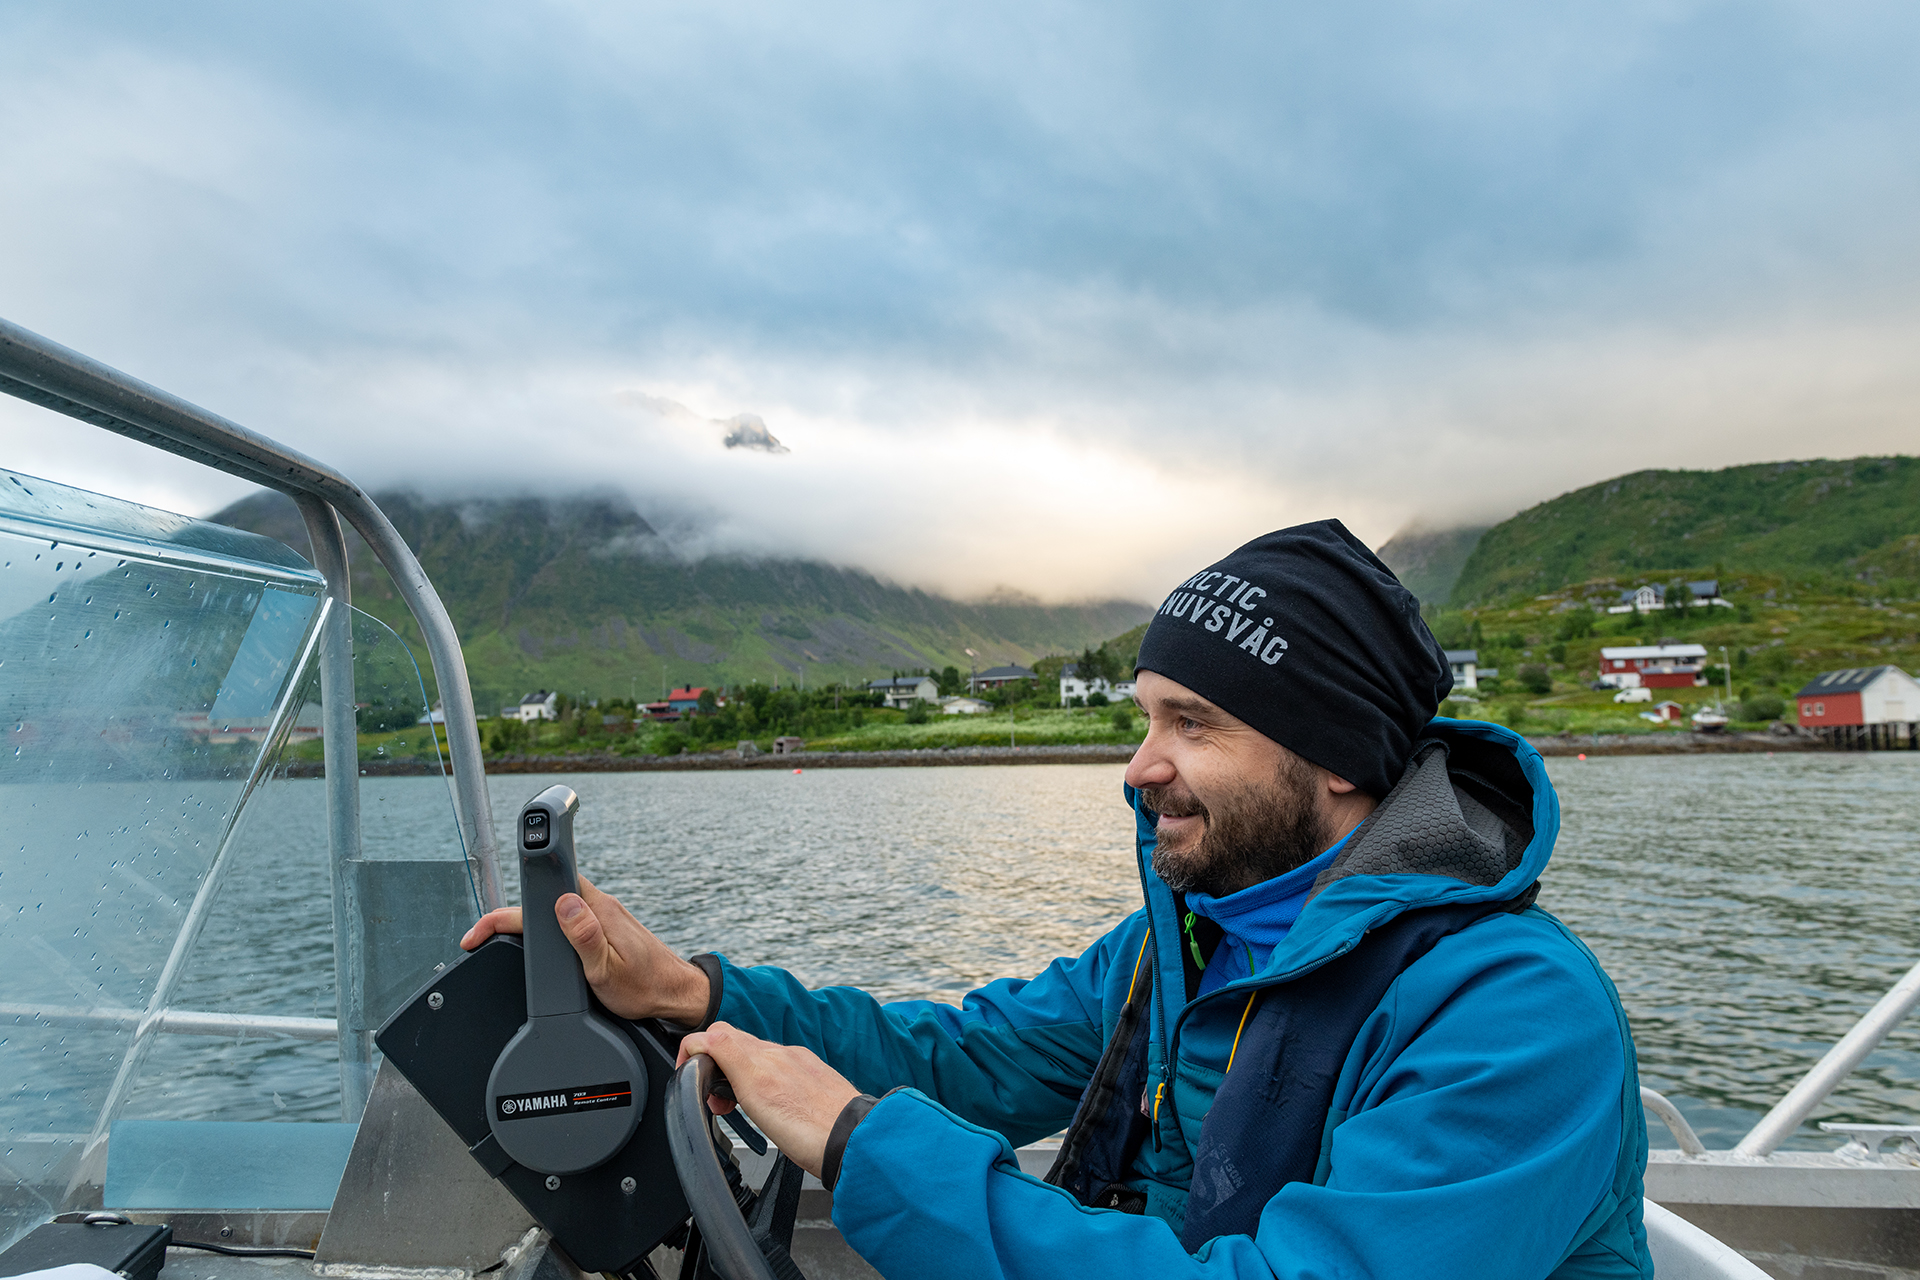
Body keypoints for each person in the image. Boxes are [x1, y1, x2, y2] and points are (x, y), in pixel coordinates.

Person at [462, 520, 1651, 1280]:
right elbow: (968, 1057)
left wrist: (860, 1141)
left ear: (1338, 757)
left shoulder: (1514, 1014)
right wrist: (687, 990)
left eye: (1193, 722)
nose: (1138, 766)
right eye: (1144, 717)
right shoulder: (1184, 944)